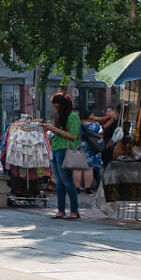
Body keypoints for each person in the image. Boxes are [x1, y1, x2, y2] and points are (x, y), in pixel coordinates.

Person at [44, 92, 83, 220]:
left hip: (65, 150)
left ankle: (74, 211)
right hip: (56, 149)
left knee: (67, 182)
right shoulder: (60, 116)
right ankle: (61, 210)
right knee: (59, 182)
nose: (55, 108)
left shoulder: (72, 116)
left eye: (56, 106)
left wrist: (53, 129)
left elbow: (73, 136)